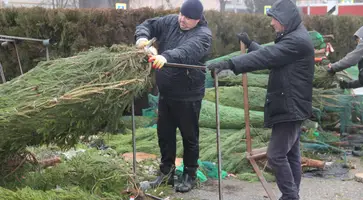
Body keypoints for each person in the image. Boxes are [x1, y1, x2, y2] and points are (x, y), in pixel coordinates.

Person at [207, 0, 314, 199]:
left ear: (285, 20)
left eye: (274, 19)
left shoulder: (296, 41)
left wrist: (230, 63)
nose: (272, 23)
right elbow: (274, 57)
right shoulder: (294, 36)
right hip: (292, 104)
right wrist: (251, 45)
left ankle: (291, 196)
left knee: (275, 155)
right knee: (290, 155)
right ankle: (292, 195)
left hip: (290, 106)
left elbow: (269, 56)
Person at [134, 0, 212, 193]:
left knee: (189, 136)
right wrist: (143, 39)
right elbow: (148, 24)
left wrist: (166, 56)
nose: (183, 20)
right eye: (182, 15)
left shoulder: (203, 35)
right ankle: (166, 173)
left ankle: (189, 174)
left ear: (198, 19)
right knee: (165, 134)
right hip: (166, 93)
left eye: (189, 18)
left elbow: (187, 51)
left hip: (188, 95)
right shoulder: (171, 22)